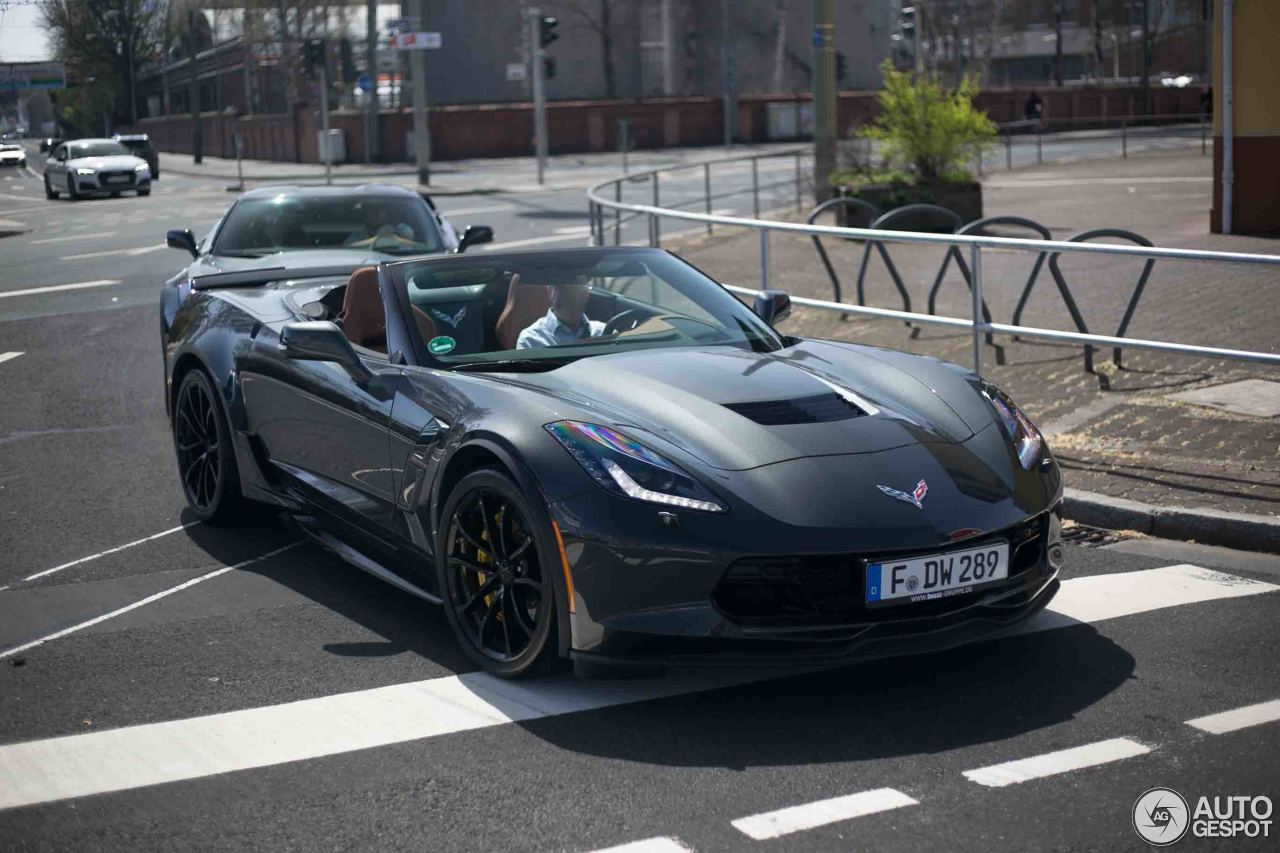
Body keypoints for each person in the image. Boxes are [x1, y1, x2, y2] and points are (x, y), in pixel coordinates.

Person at [516, 282, 605, 349]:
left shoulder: (604, 332)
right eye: (563, 285)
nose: (571, 292)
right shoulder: (531, 339)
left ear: (587, 293)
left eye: (576, 284)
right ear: (550, 291)